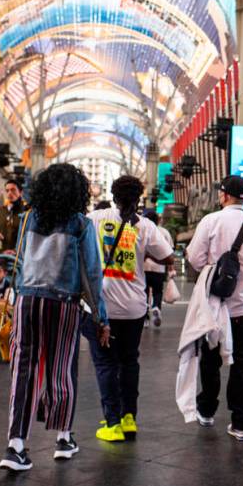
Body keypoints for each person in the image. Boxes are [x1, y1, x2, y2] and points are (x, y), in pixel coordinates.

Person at [0, 163, 107, 472]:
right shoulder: (81, 224)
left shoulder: (29, 218)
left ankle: (16, 445)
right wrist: (101, 317)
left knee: (23, 370)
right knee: (62, 366)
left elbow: (19, 263)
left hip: (27, 301)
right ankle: (63, 438)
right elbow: (91, 274)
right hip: (63, 303)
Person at [187, 175, 243, 441]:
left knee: (210, 361)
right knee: (241, 365)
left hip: (215, 306)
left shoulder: (211, 221)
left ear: (223, 195)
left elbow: (194, 257)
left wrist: (214, 272)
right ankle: (241, 424)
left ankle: (206, 410)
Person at [87, 177, 174, 442]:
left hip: (101, 305)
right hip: (134, 307)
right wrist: (143, 253)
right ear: (139, 198)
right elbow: (169, 257)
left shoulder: (96, 218)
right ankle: (129, 418)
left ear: (113, 195)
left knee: (105, 363)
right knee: (128, 361)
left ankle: (111, 422)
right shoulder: (145, 226)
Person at [142, 209, 173, 330]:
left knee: (143, 293)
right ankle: (156, 307)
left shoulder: (142, 229)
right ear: (158, 220)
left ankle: (144, 317)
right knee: (157, 291)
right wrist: (171, 269)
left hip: (143, 268)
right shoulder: (164, 232)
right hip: (159, 269)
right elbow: (170, 252)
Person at [0, 179, 26, 253]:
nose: (9, 193)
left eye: (13, 190)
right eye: (7, 190)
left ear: (21, 193)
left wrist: (16, 251)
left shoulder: (26, 212)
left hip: (18, 257)